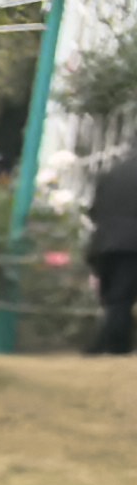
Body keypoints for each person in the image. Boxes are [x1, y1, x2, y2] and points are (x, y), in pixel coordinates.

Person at [95, 140, 137, 356]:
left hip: (105, 241)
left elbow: (95, 208)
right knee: (121, 297)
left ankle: (107, 343)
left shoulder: (112, 173)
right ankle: (116, 346)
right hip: (132, 243)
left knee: (115, 297)